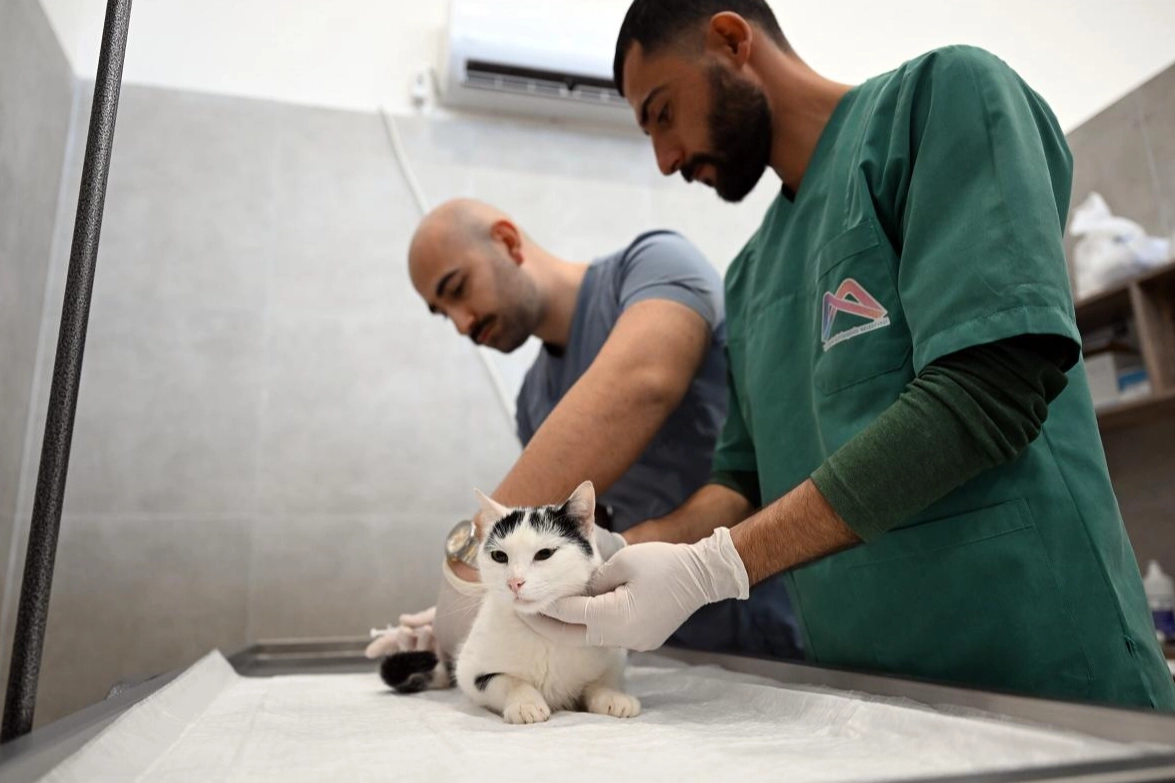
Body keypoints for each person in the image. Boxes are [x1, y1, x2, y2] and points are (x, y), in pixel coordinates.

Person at [521, 0, 1175, 711]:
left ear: (732, 40)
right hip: (863, 701)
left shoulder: (937, 102)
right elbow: (740, 481)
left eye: (662, 113)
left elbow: (989, 389)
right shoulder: (750, 274)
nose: (665, 159)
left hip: (1046, 674)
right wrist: (623, 551)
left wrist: (717, 566)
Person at [373, 198, 800, 663]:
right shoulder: (534, 402)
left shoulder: (655, 265)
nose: (462, 324)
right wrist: (484, 607)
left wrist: (470, 560)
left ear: (508, 242)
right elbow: (572, 546)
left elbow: (644, 384)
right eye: (443, 313)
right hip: (664, 647)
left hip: (775, 609)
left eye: (458, 289)